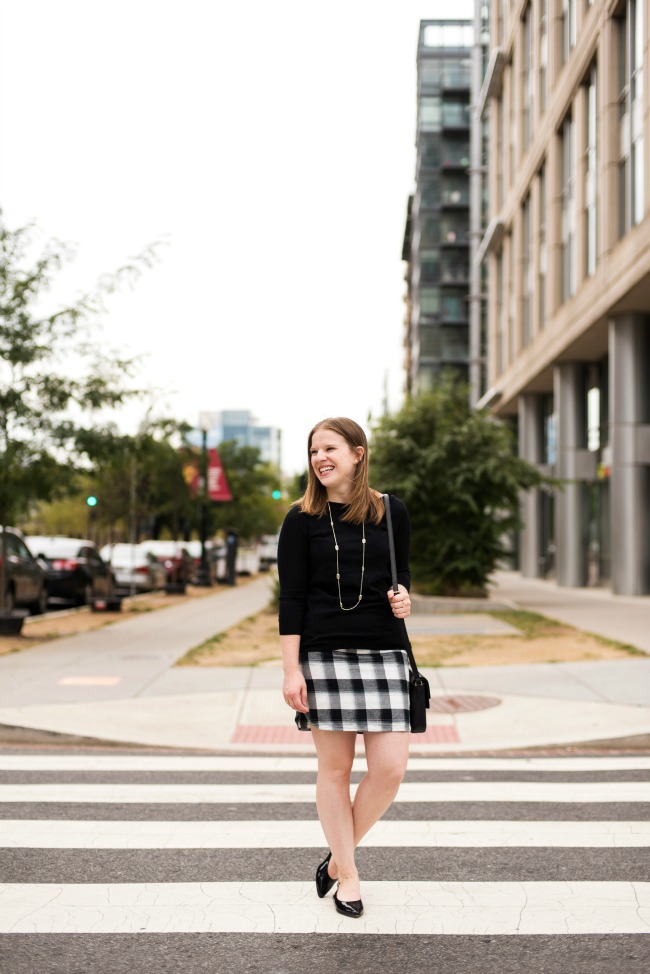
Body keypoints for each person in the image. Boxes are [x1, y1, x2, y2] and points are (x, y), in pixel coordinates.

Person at [277, 417, 412, 919]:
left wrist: (404, 600)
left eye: (329, 448)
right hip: (323, 657)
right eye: (314, 451)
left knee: (390, 769)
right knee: (334, 770)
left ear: (358, 453)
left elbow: (403, 578)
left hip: (384, 653)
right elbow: (291, 600)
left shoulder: (390, 511)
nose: (319, 458)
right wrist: (291, 671)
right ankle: (350, 877)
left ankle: (336, 859)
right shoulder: (300, 519)